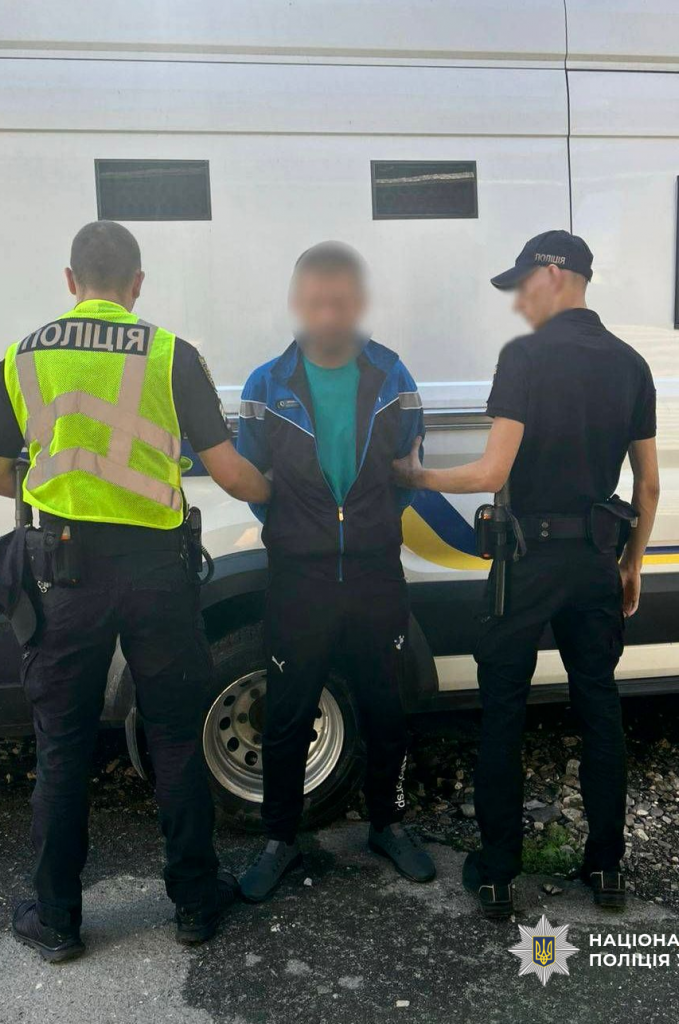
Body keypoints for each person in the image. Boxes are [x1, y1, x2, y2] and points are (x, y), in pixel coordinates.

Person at [0, 220, 271, 960]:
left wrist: (55, 491)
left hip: (63, 574)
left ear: (70, 281)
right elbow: (231, 474)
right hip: (158, 574)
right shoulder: (170, 353)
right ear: (137, 284)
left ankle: (57, 921)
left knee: (63, 746)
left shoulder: (24, 355)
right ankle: (195, 904)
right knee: (174, 736)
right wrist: (286, 495)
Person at [393, 230, 660, 915]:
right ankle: (606, 870)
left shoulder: (525, 357)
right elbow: (648, 485)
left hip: (527, 564)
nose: (518, 301)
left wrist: (416, 475)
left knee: (504, 712)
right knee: (599, 707)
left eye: (522, 285)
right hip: (595, 561)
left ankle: (497, 875)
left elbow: (492, 471)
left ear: (554, 274)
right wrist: (630, 564)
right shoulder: (631, 364)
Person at [235, 241, 436, 901]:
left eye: (341, 302)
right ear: (298, 302)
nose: (328, 314)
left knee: (386, 707)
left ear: (359, 303)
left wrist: (366, 525)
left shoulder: (392, 375)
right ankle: (279, 838)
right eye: (317, 301)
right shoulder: (266, 385)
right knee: (287, 714)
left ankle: (388, 824)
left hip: (376, 571)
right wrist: (308, 528)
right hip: (299, 577)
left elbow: (406, 472)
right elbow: (254, 480)